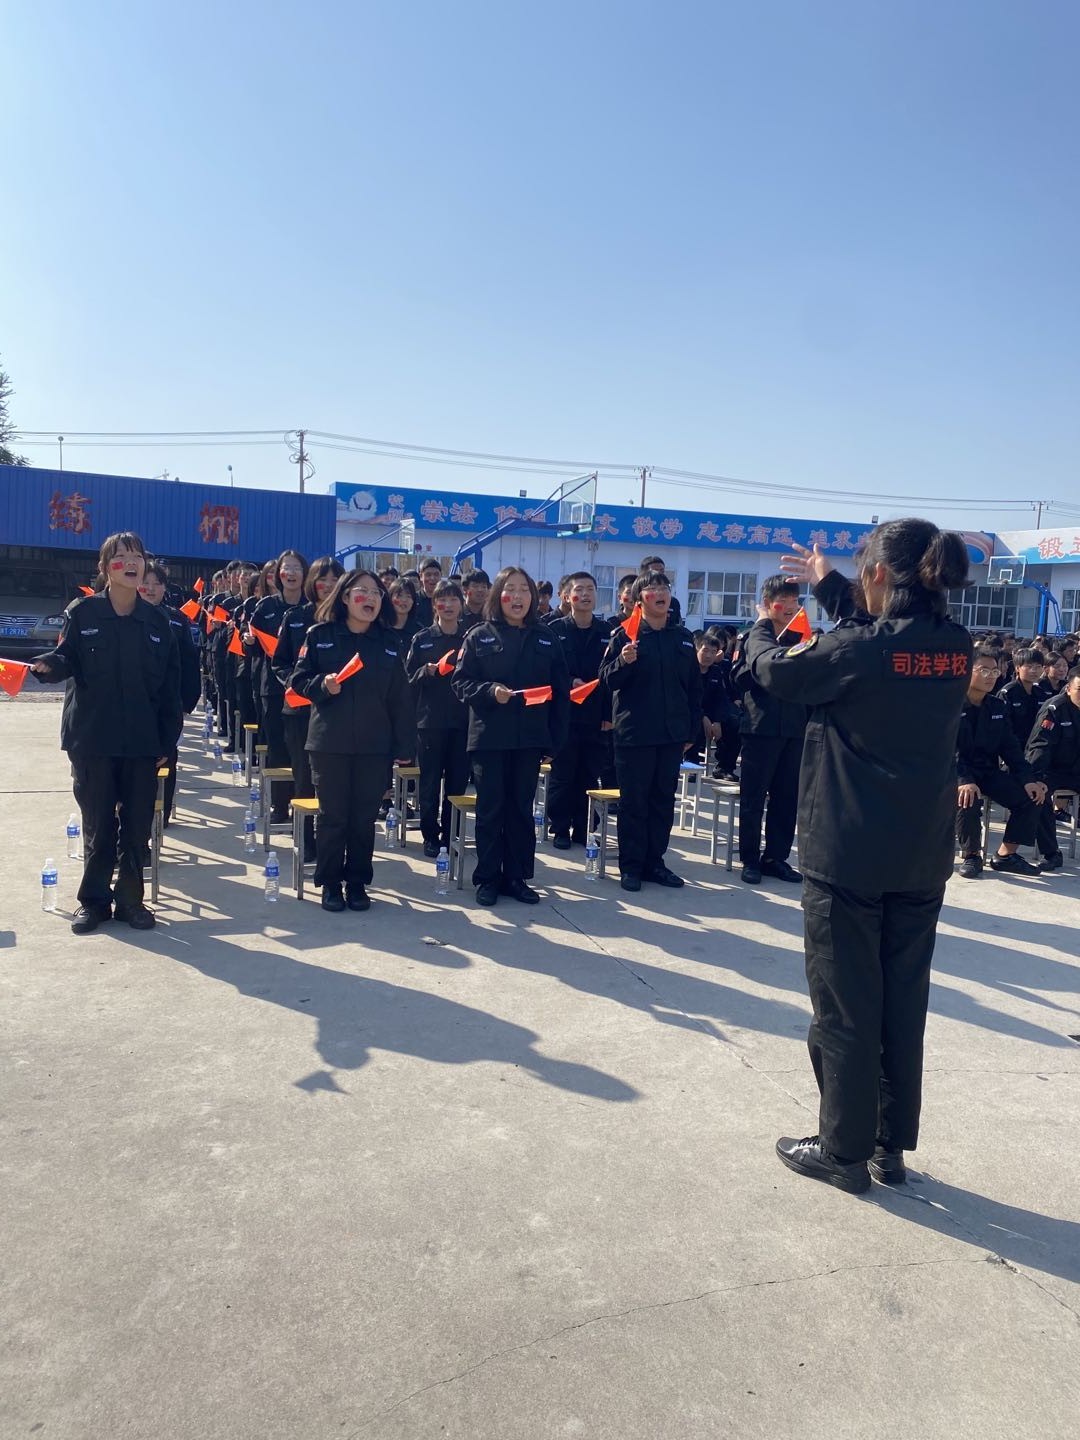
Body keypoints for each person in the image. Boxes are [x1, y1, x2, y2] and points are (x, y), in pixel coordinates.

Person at [744, 519, 972, 1194]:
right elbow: (883, 634)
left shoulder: (858, 650)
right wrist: (829, 583)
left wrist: (762, 628)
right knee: (901, 1002)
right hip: (919, 856)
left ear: (876, 574)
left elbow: (778, 670)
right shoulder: (955, 646)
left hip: (847, 854)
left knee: (844, 1005)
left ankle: (842, 1151)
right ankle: (885, 1145)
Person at [30, 531, 183, 933]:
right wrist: (49, 666)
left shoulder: (157, 622)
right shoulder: (83, 613)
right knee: (99, 825)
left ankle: (131, 901)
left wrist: (167, 740)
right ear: (105, 568)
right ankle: (94, 902)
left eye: (137, 556)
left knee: (136, 827)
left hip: (141, 741)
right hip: (93, 738)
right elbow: (66, 656)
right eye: (121, 556)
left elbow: (170, 688)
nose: (131, 563)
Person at [288, 570, 415, 912]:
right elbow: (298, 680)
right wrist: (322, 685)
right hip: (330, 743)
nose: (370, 598)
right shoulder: (320, 635)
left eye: (376, 593)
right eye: (363, 591)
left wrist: (404, 746)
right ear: (345, 597)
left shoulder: (389, 643)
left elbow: (400, 699)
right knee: (333, 817)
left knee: (363, 818)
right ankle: (330, 883)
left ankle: (357, 883)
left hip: (374, 746)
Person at [452, 566, 570, 906]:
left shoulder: (546, 637)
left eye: (524, 590)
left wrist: (554, 741)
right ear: (498, 595)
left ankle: (516, 877)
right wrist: (489, 691)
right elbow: (460, 682)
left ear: (532, 597)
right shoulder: (479, 635)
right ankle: (487, 878)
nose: (517, 596)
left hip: (529, 739)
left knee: (520, 810)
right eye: (510, 589)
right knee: (491, 809)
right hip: (489, 738)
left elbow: (561, 693)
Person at [598, 570, 702, 892]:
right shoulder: (624, 636)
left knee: (662, 801)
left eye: (664, 587)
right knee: (634, 803)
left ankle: (655, 863)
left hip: (671, 735)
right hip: (635, 734)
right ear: (639, 599)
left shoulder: (682, 637)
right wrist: (623, 662)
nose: (660, 593)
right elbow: (606, 680)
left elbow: (694, 689)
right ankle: (630, 867)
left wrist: (691, 731)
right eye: (652, 588)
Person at [731, 577, 807, 885]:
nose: (790, 606)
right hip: (760, 726)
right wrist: (766, 664)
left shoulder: (803, 637)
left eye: (794, 600)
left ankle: (776, 857)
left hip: (795, 728)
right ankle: (750, 859)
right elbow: (737, 678)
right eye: (783, 600)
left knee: (786, 798)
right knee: (753, 797)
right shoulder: (751, 636)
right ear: (767, 604)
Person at [272, 555, 345, 862]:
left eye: (334, 580)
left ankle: (332, 842)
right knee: (303, 779)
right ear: (311, 582)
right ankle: (305, 841)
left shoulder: (348, 621)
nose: (327, 585)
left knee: (334, 783)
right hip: (300, 710)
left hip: (338, 713)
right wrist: (301, 684)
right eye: (322, 579)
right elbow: (280, 662)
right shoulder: (295, 617)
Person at [955, 646, 1046, 878]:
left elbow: (1010, 748)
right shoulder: (950, 705)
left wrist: (1027, 779)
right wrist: (963, 779)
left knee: (1031, 797)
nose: (990, 677)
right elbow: (946, 750)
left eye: (995, 671)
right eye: (984, 670)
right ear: (966, 670)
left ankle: (1005, 855)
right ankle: (972, 855)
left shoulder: (997, 707)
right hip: (955, 771)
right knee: (968, 797)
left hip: (988, 771)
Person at [405, 579, 471, 857]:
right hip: (430, 723)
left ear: (461, 604)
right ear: (434, 605)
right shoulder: (422, 639)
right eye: (442, 600)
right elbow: (407, 679)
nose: (448, 605)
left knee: (457, 784)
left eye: (454, 599)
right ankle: (430, 836)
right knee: (430, 783)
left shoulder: (470, 638)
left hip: (462, 723)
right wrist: (427, 671)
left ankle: (451, 833)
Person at [547, 573, 612, 848]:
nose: (585, 594)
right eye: (579, 589)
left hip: (595, 716)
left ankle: (584, 827)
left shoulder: (608, 632)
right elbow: (547, 670)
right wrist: (569, 681)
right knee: (563, 774)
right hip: (564, 714)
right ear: (566, 596)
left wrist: (608, 714)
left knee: (589, 773)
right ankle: (560, 828)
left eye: (590, 589)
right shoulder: (554, 630)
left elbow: (613, 677)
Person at [138, 559, 200, 825]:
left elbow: (190, 663)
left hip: (168, 703)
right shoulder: (125, 616)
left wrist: (186, 703)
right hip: (134, 703)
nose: (151, 589)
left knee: (167, 757)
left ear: (165, 587)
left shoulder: (176, 619)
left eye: (157, 583)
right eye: (146, 583)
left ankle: (161, 816)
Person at [251, 550, 307, 820]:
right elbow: (250, 647)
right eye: (287, 568)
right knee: (277, 746)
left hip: (304, 690)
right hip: (273, 688)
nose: (291, 573)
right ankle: (280, 804)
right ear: (277, 575)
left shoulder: (312, 609)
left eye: (297, 568)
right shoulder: (265, 607)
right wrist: (249, 641)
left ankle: (302, 803)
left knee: (302, 751)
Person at [1026, 664, 1080, 871]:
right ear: (1069, 688)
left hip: (1076, 769)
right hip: (1052, 770)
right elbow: (1040, 746)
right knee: (1039, 794)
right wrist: (1037, 777)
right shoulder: (1055, 709)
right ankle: (1051, 852)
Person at [997, 647, 1046, 750]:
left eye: (1038, 667)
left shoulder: (1040, 693)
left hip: (1034, 747)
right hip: (1013, 748)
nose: (1034, 671)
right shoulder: (1008, 693)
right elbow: (1003, 727)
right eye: (1029, 666)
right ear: (1017, 668)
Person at [413, 558, 442, 628]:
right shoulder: (414, 599)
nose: (432, 578)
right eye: (428, 575)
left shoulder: (445, 600)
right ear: (421, 576)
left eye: (436, 574)